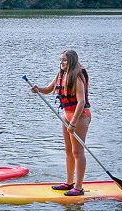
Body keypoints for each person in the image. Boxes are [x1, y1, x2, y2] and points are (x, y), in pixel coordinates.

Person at [30, 50, 91, 196]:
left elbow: (81, 102)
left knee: (78, 152)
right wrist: (38, 89)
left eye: (64, 60)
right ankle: (69, 182)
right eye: (60, 60)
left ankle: (79, 187)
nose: (61, 63)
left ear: (71, 61)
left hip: (80, 116)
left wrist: (74, 122)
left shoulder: (77, 77)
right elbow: (49, 89)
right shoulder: (61, 74)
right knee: (68, 151)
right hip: (66, 116)